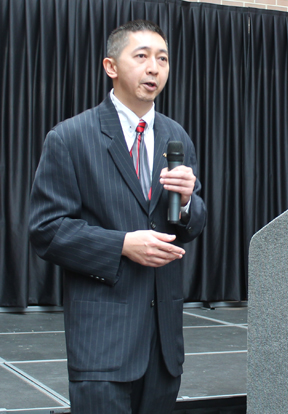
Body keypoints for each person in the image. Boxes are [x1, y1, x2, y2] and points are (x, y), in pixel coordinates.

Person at [29, 20, 206, 413]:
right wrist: (122, 245)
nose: (154, 68)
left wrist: (190, 202)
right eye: (141, 56)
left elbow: (193, 222)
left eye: (162, 58)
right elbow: (45, 230)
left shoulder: (177, 137)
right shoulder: (70, 137)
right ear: (111, 66)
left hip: (164, 349)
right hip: (102, 344)